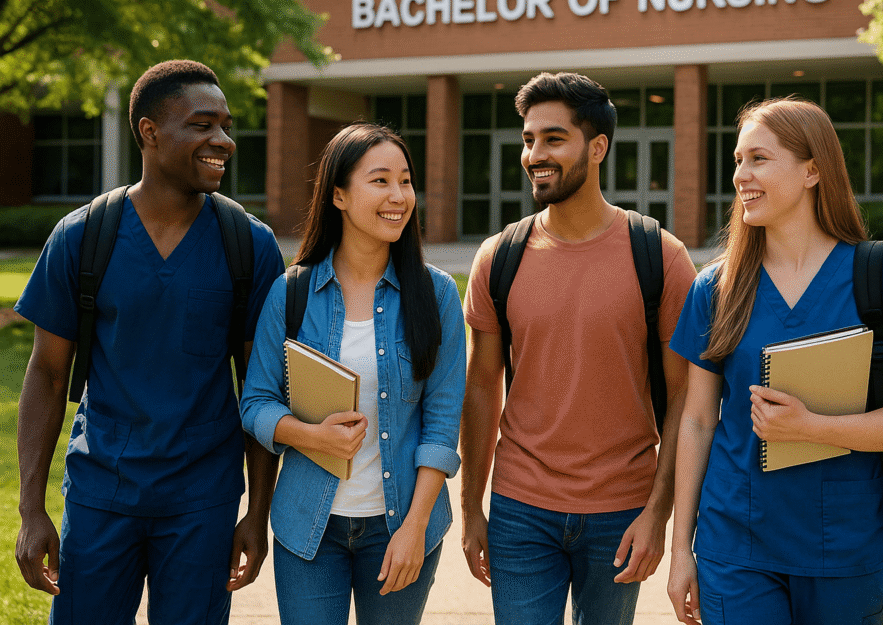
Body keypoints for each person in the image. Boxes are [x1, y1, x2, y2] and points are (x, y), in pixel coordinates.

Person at [14, 60, 285, 624]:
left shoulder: (249, 246)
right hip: (100, 495)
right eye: (203, 125)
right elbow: (45, 374)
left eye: (226, 125)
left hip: (202, 502)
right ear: (149, 132)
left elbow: (263, 388)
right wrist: (32, 508)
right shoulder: (83, 236)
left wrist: (257, 513)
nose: (223, 141)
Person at [666, 97, 883, 625]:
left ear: (813, 170)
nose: (740, 176)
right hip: (736, 545)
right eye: (737, 160)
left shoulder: (880, 279)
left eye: (759, 159)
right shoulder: (716, 287)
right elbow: (699, 420)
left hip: (844, 547)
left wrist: (810, 426)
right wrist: (683, 550)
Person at [461, 71, 698, 625]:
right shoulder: (499, 258)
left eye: (553, 139)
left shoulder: (660, 256)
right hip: (521, 508)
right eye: (528, 139)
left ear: (597, 148)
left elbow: (686, 398)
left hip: (622, 510)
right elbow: (481, 387)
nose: (535, 154)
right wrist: (472, 507)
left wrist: (657, 512)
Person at [239, 122, 466, 624]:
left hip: (402, 528)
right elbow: (255, 403)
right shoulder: (291, 292)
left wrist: (415, 528)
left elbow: (443, 421)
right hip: (308, 530)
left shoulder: (438, 295)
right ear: (338, 195)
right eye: (380, 180)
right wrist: (309, 435)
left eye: (405, 181)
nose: (399, 196)